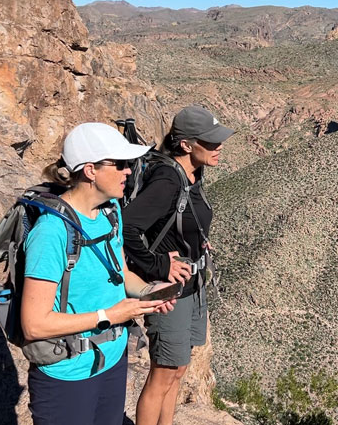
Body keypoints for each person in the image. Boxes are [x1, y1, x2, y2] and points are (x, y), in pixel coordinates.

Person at [21, 122, 176, 425]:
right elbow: (33, 325)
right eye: (119, 164)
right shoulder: (51, 233)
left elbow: (121, 272)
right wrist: (110, 315)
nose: (128, 171)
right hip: (67, 375)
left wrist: (147, 291)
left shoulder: (111, 211)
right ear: (90, 170)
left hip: (112, 360)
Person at [123, 105, 234, 425]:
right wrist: (158, 266)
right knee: (163, 373)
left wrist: (198, 244)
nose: (219, 147)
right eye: (211, 142)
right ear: (186, 145)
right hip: (171, 291)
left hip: (194, 282)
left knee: (179, 369)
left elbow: (181, 219)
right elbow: (126, 227)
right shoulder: (167, 179)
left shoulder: (193, 172)